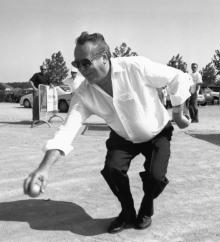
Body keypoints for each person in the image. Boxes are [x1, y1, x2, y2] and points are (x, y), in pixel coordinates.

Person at [24, 32, 191, 233]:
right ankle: (127, 213)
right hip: (122, 137)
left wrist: (179, 114)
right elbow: (66, 131)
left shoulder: (135, 67)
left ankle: (147, 208)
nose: (82, 69)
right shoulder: (84, 93)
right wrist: (44, 168)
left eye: (86, 62)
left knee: (155, 177)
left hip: (157, 132)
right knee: (112, 170)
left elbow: (177, 77)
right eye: (77, 65)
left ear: (105, 57)